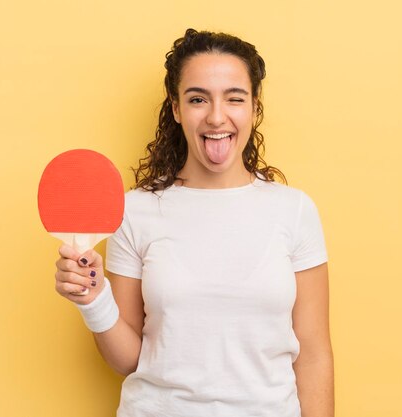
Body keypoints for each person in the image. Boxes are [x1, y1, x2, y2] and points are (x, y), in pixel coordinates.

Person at [54, 28, 334, 417]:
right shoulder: (134, 212)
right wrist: (94, 299)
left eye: (234, 98)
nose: (216, 116)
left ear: (254, 108)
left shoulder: (295, 210)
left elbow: (315, 354)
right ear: (175, 108)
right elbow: (127, 360)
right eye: (198, 99)